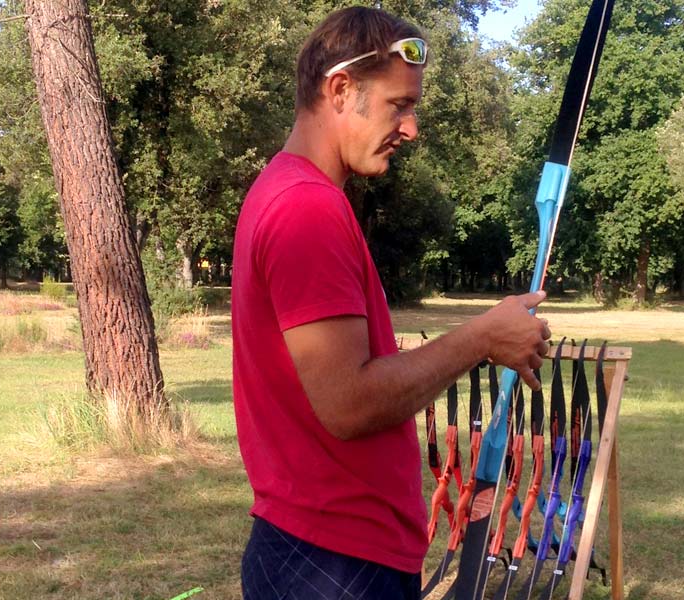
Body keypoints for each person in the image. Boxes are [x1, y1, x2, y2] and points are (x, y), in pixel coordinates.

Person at [231, 7, 551, 599]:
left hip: (320, 554)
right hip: (334, 563)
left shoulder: (288, 191)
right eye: (398, 106)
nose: (411, 129)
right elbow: (349, 404)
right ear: (341, 89)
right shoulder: (307, 209)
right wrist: (481, 338)